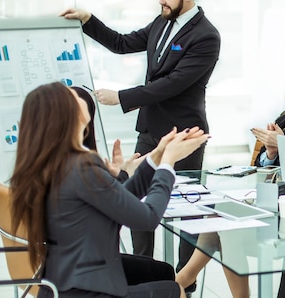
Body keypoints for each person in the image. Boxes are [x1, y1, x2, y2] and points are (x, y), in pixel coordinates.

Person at [60, 2, 220, 293]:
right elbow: (122, 43)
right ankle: (142, 274)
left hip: (183, 135)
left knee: (187, 213)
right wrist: (88, 20)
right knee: (135, 204)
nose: (160, 1)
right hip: (149, 129)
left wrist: (122, 96)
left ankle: (185, 285)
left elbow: (173, 84)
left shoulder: (207, 36)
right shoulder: (161, 22)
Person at [9, 82, 209, 297]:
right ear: (65, 114)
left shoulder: (58, 164)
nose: (79, 96)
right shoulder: (81, 166)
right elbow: (148, 217)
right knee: (174, 290)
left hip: (65, 280)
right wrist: (168, 163)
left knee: (161, 271)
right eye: (71, 96)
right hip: (86, 288)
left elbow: (120, 201)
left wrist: (157, 156)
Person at [174, 69, 285, 298]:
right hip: (270, 205)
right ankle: (184, 280)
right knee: (219, 220)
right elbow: (260, 164)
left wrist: (280, 143)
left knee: (223, 226)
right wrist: (272, 151)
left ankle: (182, 280)